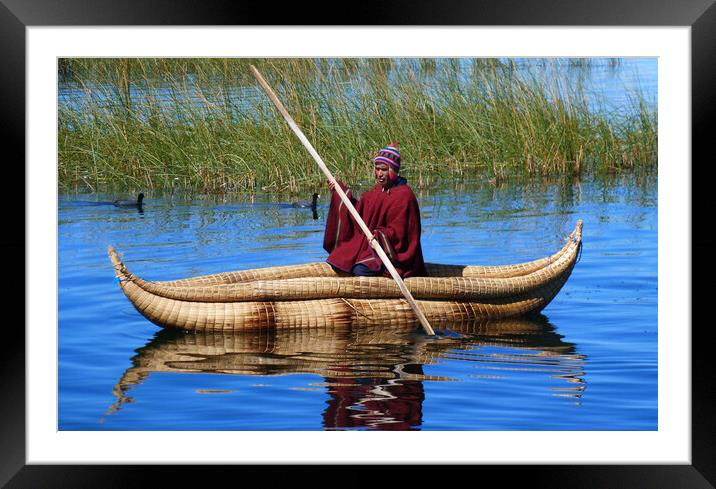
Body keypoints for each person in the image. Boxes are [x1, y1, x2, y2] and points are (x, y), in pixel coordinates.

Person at [323, 143, 427, 278]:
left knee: (361, 270)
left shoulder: (404, 196)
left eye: (383, 170)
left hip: (395, 257)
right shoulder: (377, 191)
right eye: (377, 169)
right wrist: (339, 192)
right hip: (374, 247)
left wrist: (379, 235)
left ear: (393, 170)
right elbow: (358, 215)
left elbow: (401, 234)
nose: (379, 174)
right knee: (340, 259)